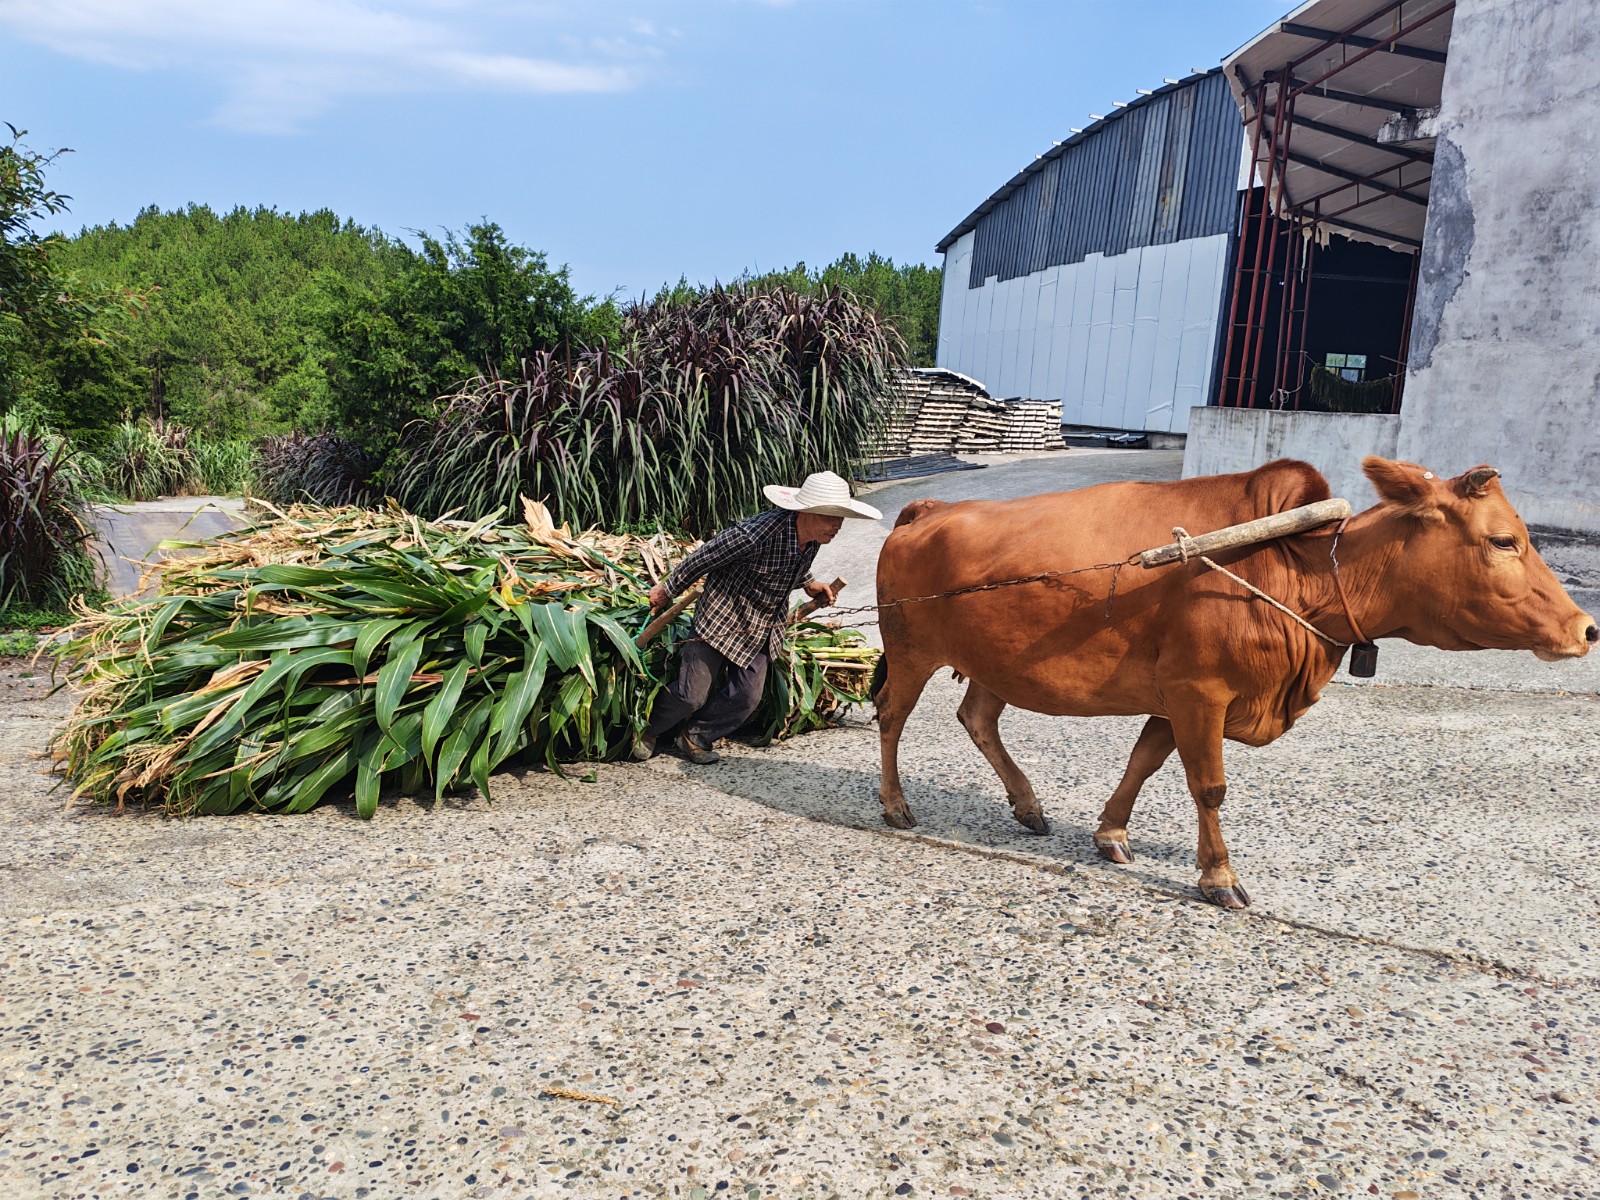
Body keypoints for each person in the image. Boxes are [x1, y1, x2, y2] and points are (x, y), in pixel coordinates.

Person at [632, 470, 882, 764]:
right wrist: (668, 590)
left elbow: (795, 565)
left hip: (763, 625)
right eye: (830, 517)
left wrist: (811, 584)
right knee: (690, 695)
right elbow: (705, 556)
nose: (836, 526)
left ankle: (695, 736)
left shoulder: (813, 538)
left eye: (840, 518)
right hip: (721, 618)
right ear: (806, 512)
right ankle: (649, 731)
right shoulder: (755, 534)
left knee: (747, 697)